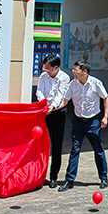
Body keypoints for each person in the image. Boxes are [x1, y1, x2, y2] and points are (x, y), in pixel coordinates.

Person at [57, 61, 108, 192]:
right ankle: (69, 180)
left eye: (76, 70)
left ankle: (103, 177)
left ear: (84, 71)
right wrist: (53, 108)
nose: (74, 72)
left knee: (98, 149)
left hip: (93, 122)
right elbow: (65, 100)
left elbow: (105, 98)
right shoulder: (73, 84)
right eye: (73, 70)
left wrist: (105, 116)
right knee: (75, 150)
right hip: (78, 122)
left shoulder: (96, 83)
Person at [35, 55, 70, 188]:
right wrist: (43, 103)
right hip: (44, 111)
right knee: (40, 143)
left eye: (48, 69)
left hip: (57, 112)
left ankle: (53, 177)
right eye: (45, 69)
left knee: (56, 145)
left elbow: (60, 94)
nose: (46, 71)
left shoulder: (64, 78)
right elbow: (39, 90)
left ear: (56, 67)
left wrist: (52, 107)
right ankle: (38, 175)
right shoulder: (44, 76)